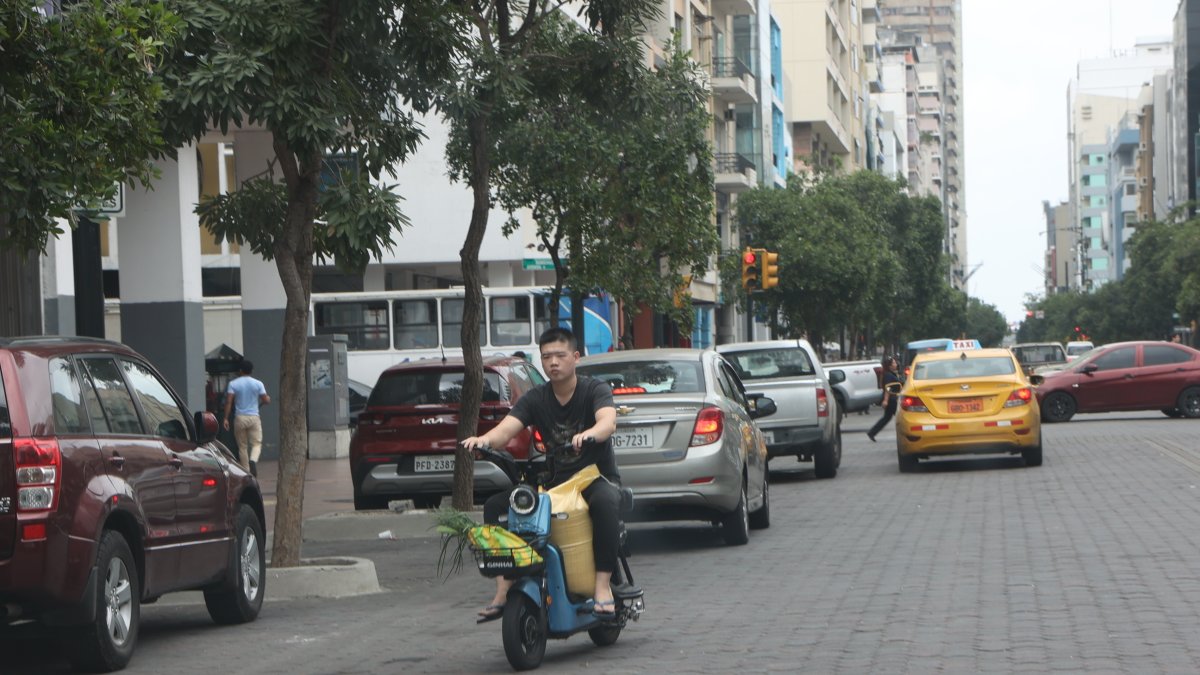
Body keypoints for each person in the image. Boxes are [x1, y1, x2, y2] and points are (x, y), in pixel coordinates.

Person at [462, 327, 620, 624]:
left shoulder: (595, 389)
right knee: (496, 506)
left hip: (592, 478)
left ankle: (602, 587)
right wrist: (482, 441)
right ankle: (504, 589)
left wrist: (590, 434)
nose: (553, 363)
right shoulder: (536, 398)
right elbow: (505, 431)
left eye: (560, 355)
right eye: (547, 357)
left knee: (605, 502)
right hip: (553, 484)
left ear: (576, 357)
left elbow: (607, 422)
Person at [223, 360, 270, 476]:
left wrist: (225, 418)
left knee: (242, 446)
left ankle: (247, 471)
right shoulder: (258, 383)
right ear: (251, 370)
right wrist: (266, 399)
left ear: (240, 371)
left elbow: (229, 402)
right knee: (256, 443)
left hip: (240, 417)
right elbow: (265, 400)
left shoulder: (233, 384)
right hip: (254, 417)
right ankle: (253, 460)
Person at [867, 355, 901, 442]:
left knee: (886, 418)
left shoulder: (890, 374)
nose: (896, 364)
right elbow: (887, 388)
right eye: (894, 363)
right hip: (892, 400)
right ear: (889, 366)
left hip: (892, 399)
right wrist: (886, 400)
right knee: (901, 418)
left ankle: (872, 432)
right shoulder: (888, 375)